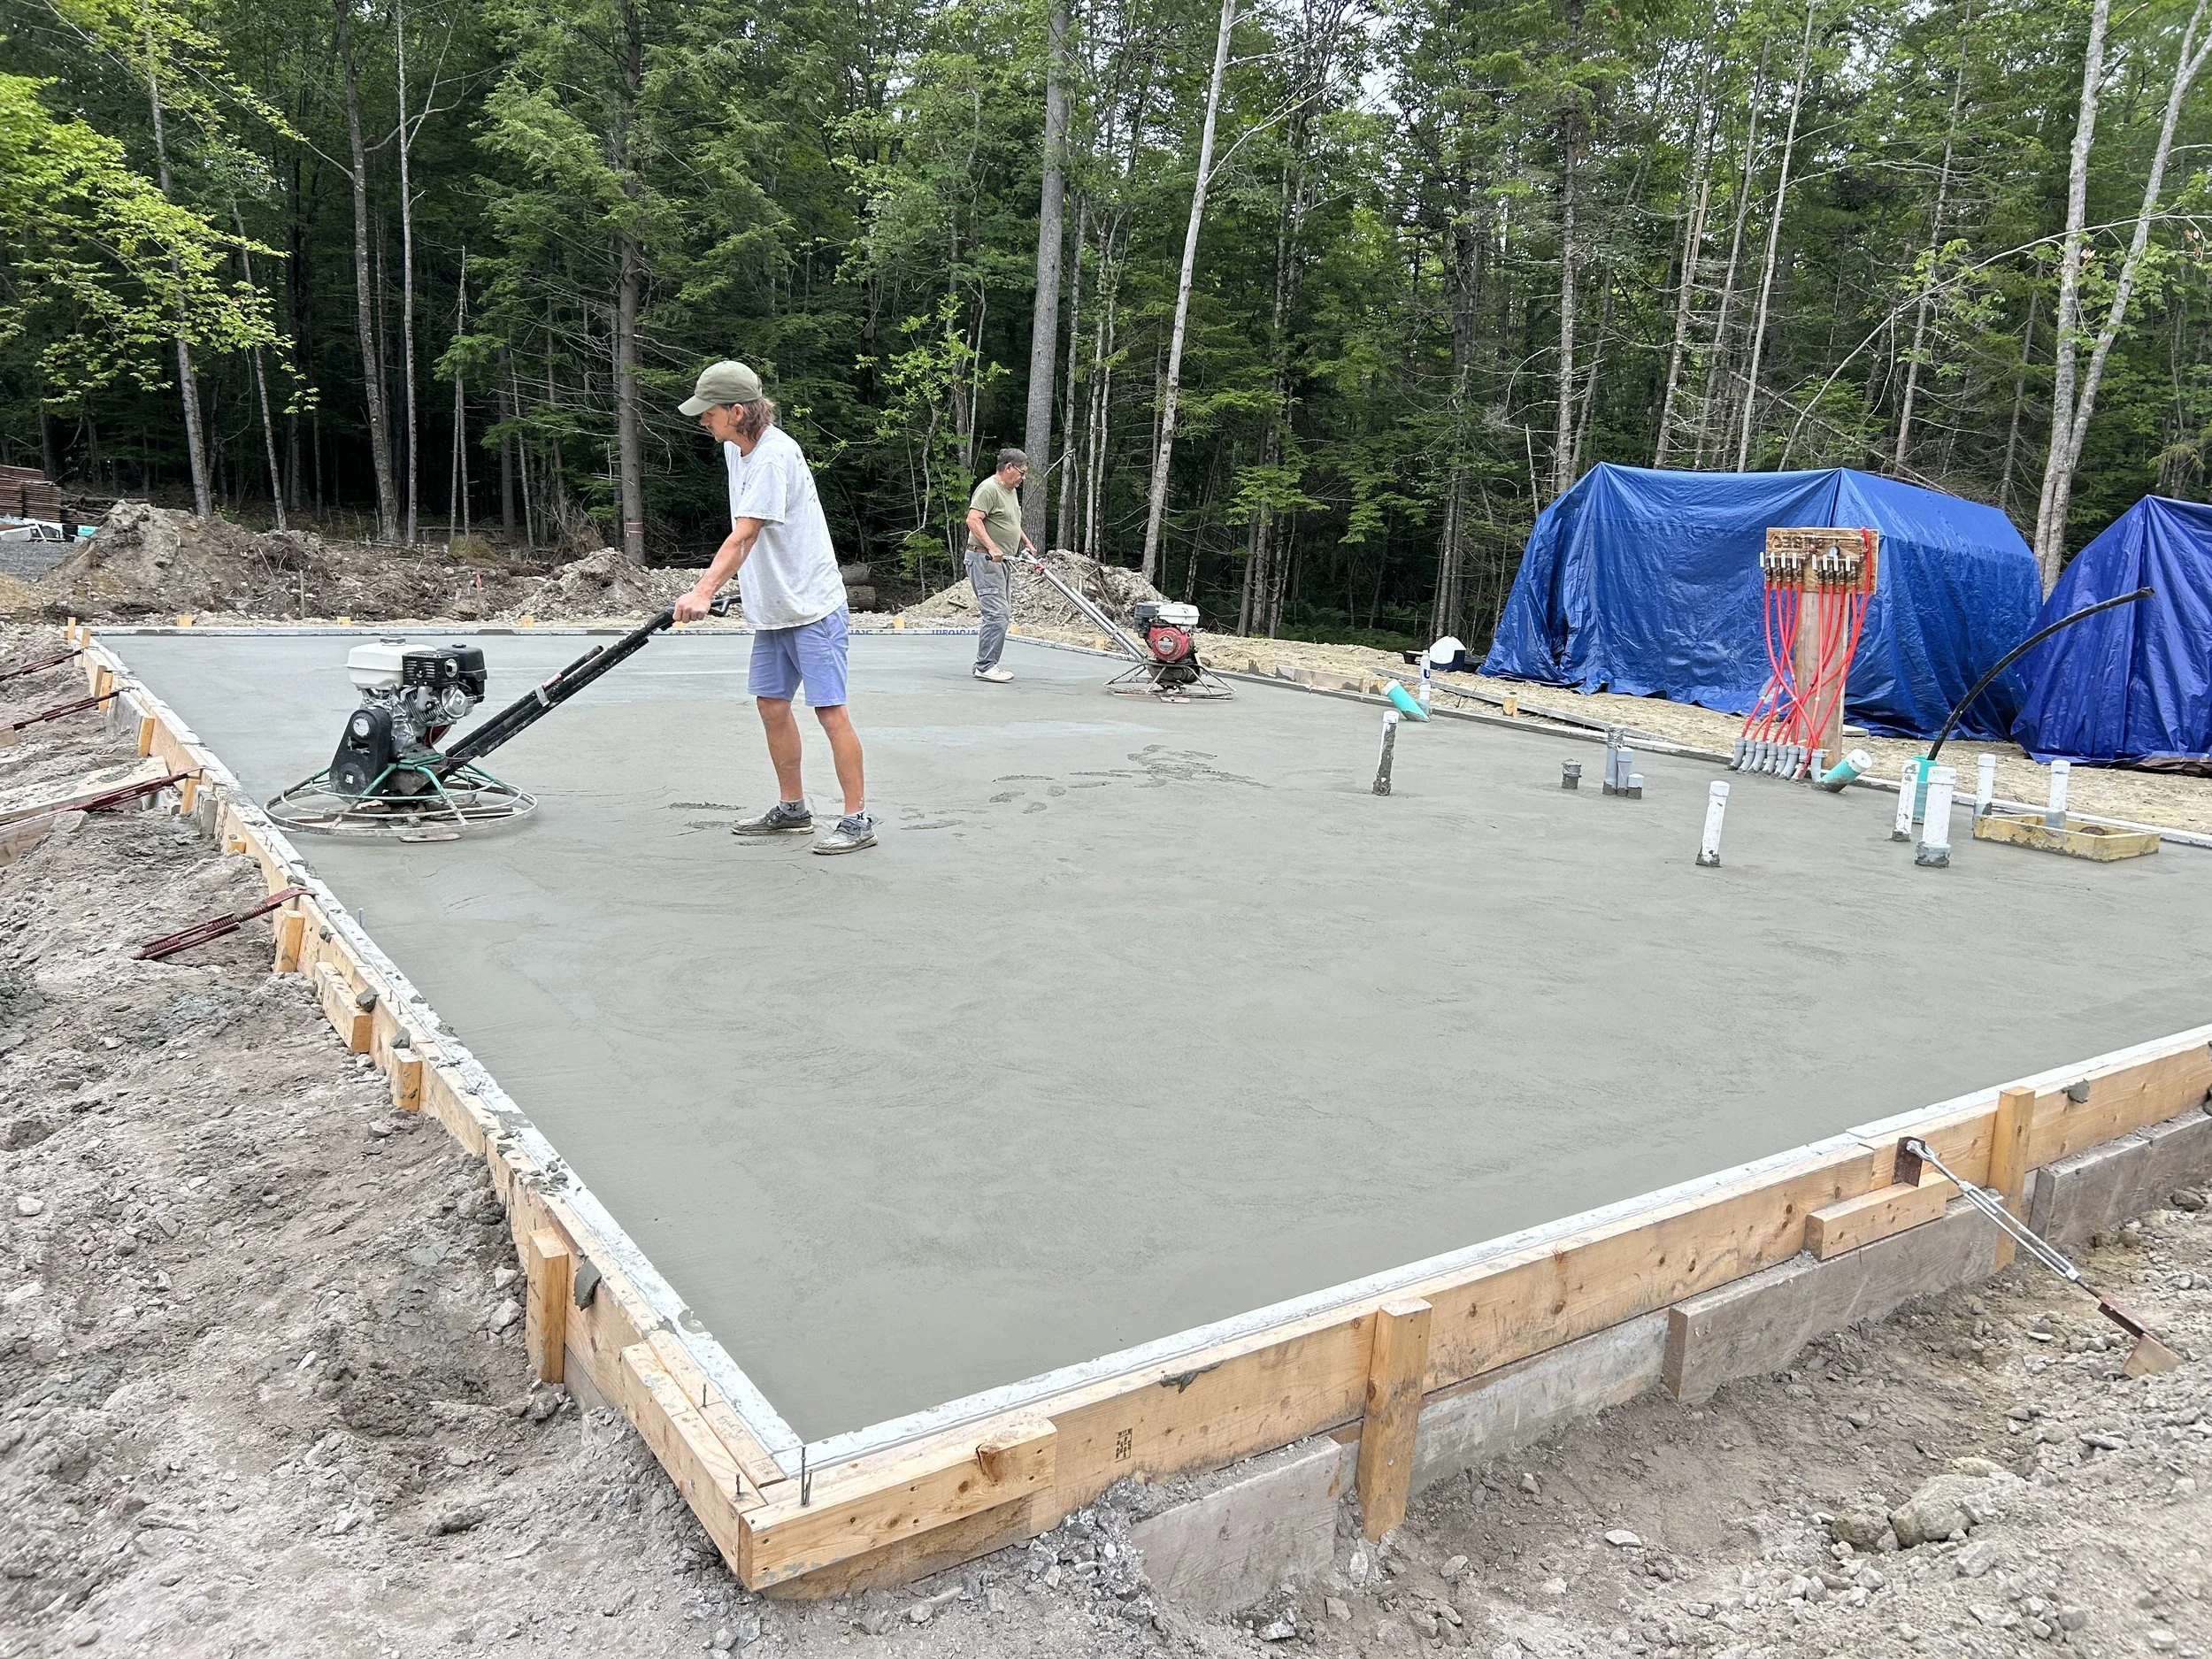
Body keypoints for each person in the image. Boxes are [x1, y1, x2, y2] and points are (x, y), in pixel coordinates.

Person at [675, 360, 873, 854]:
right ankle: (793, 809)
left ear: (738, 411)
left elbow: (744, 535)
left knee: (830, 712)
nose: (703, 420)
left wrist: (703, 593)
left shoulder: (771, 457)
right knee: (771, 707)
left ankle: (857, 819)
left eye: (710, 412)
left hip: (812, 607)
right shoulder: (735, 450)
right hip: (774, 609)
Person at [964, 448, 1035, 683]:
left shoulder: (1009, 490)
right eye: (1021, 473)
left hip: (1002, 561)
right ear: (1009, 468)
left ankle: (988, 663)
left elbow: (1009, 520)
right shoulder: (989, 489)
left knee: (1002, 613)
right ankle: (985, 666)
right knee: (997, 614)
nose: (1023, 478)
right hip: (985, 559)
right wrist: (992, 546)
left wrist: (1023, 539)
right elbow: (973, 520)